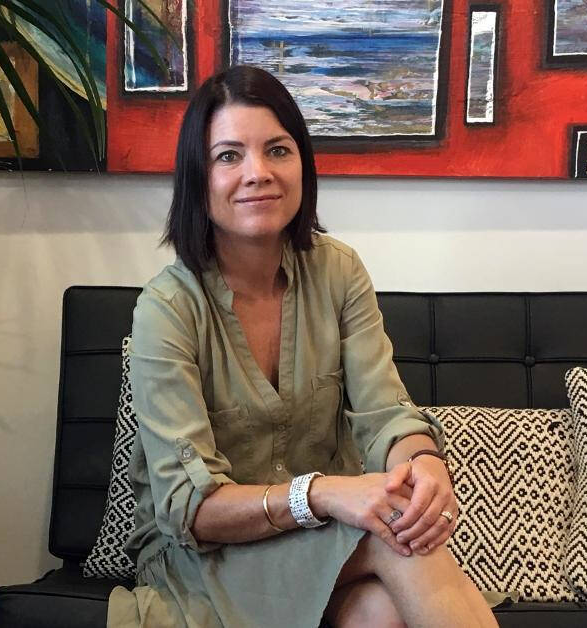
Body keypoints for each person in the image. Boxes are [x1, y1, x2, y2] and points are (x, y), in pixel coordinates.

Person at [107, 65, 508, 628]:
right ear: (198, 177)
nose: (258, 173)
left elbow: (386, 413)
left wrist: (423, 464)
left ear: (302, 164)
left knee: (382, 611)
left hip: (320, 539)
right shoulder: (167, 309)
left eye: (277, 150)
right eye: (229, 156)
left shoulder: (338, 272)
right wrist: (320, 494)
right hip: (205, 555)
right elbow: (190, 509)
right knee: (396, 541)